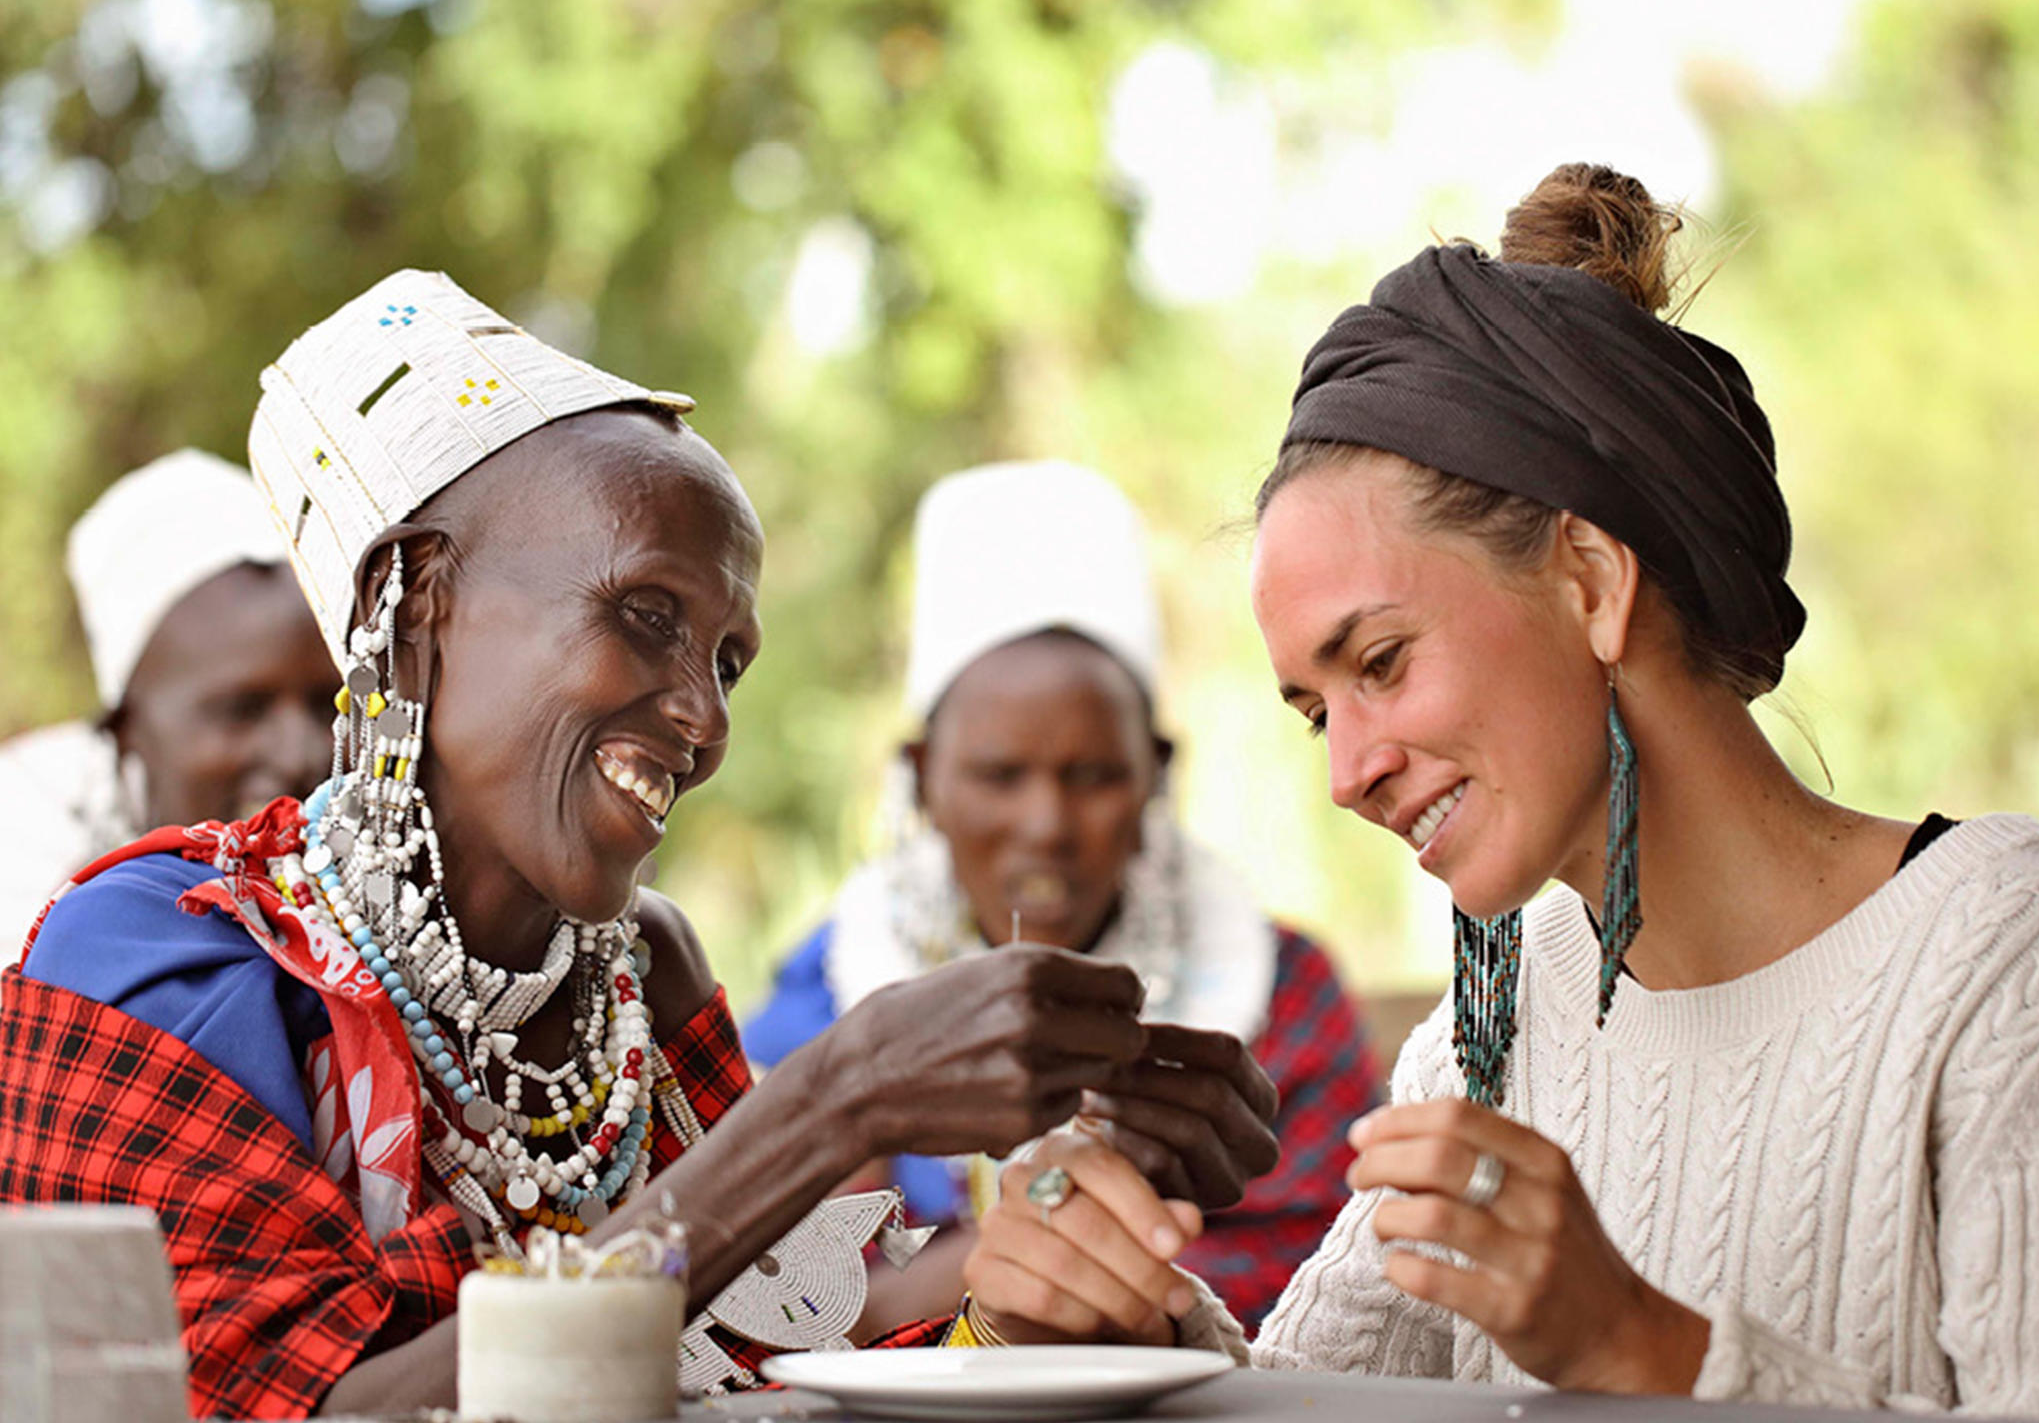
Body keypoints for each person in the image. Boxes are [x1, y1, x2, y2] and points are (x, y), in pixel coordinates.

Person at [951, 164, 2039, 1420]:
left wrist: (1639, 1343)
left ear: (1590, 581)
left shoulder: (2017, 968)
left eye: (1381, 663)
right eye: (1316, 712)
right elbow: (1312, 1402)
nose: (1348, 775)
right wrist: (1118, 1323)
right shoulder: (1495, 1024)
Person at [0, 271, 1271, 1419]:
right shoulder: (156, 958)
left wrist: (1026, 1311)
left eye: (728, 660)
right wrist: (833, 1103)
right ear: (417, 602)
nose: (706, 721)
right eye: (646, 615)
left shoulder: (639, 980)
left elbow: (774, 1372)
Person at [742, 460, 1381, 1335]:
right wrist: (1028, 1255)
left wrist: (988, 1267)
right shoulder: (833, 995)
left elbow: (1333, 1292)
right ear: (922, 778)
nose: (1045, 825)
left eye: (1093, 776)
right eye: (999, 775)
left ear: (1155, 775)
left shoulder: (1279, 994)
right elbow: (786, 1305)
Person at [0, 450, 339, 959]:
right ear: (126, 730)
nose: (300, 754)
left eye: (328, 704)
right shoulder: (23, 855)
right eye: (243, 710)